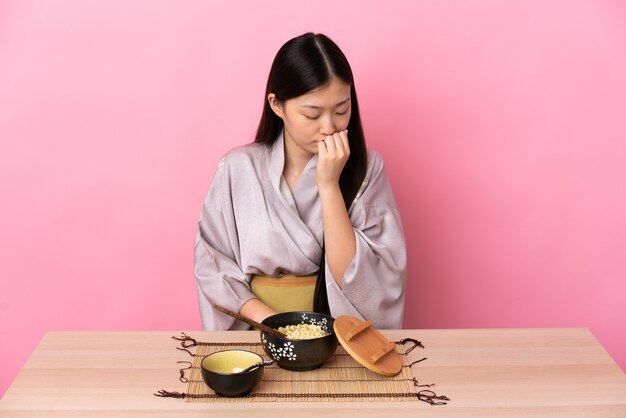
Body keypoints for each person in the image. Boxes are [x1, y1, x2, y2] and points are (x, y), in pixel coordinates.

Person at [194, 32, 406, 331]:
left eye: (341, 110)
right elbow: (213, 264)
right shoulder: (238, 168)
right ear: (277, 105)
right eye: (312, 114)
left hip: (338, 334)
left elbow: (369, 280)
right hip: (259, 332)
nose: (329, 126)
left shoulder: (368, 169)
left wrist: (330, 185)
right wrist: (278, 326)